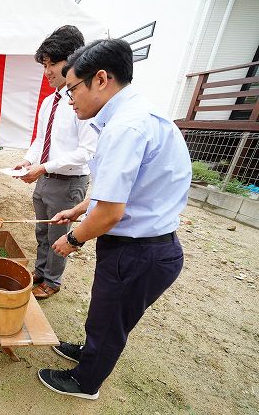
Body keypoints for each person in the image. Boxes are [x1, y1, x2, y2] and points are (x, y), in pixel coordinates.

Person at [37, 39, 191, 400]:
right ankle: (88, 352)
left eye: (72, 87)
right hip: (139, 247)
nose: (69, 97)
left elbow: (110, 212)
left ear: (101, 79)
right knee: (105, 309)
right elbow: (119, 189)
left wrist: (72, 239)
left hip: (140, 250)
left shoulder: (126, 127)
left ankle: (85, 382)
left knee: (111, 320)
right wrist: (78, 209)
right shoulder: (133, 116)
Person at [12, 25, 97, 299]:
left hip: (68, 181)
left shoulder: (84, 101)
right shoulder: (49, 102)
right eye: (45, 64)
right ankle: (40, 271)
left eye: (52, 64)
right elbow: (40, 140)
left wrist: (44, 167)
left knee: (57, 234)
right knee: (41, 230)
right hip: (46, 178)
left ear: (74, 61)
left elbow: (87, 151)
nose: (47, 71)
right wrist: (27, 161)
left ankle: (52, 280)